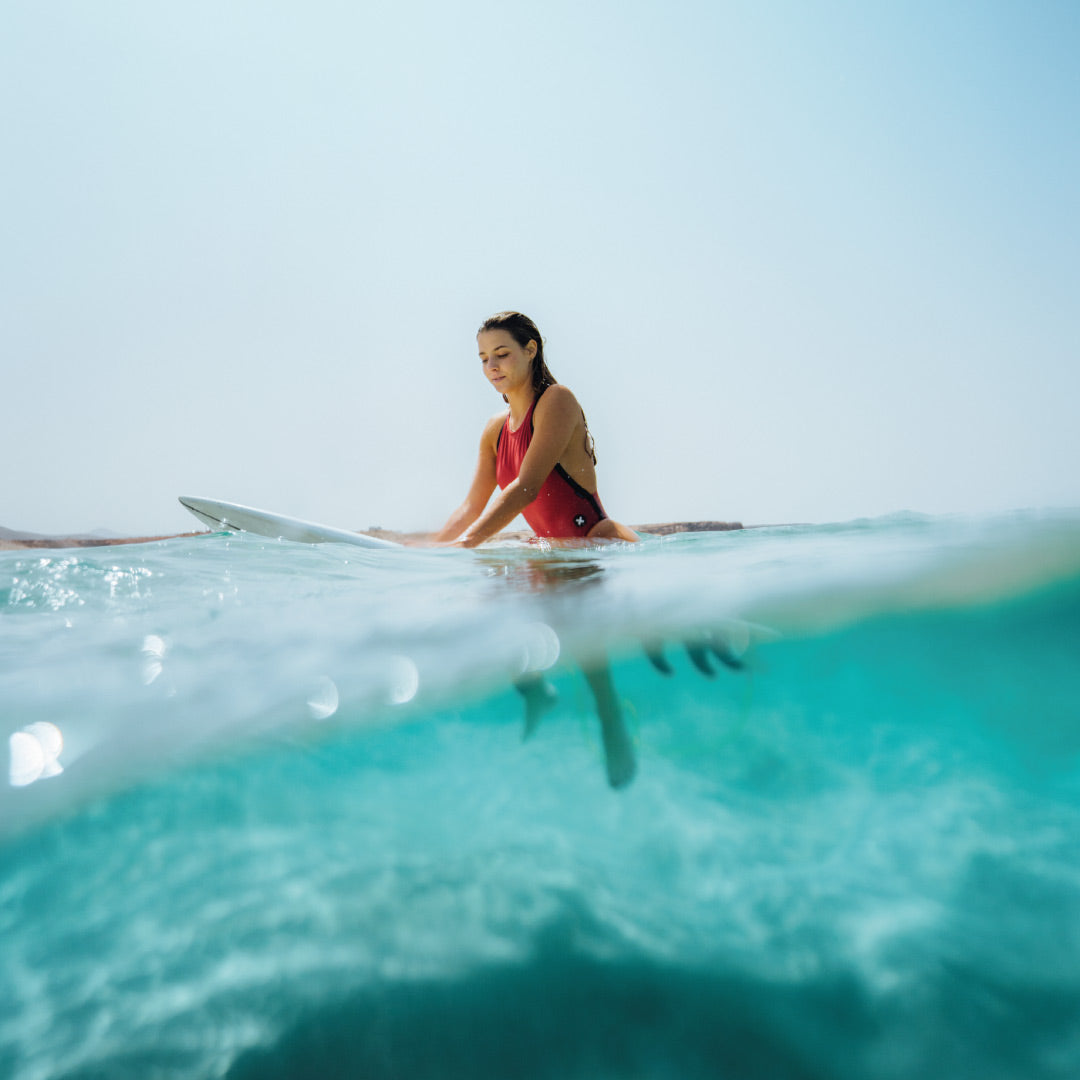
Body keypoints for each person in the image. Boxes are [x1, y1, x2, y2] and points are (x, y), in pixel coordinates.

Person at [432, 311, 638, 548]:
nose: (491, 366)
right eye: (483, 358)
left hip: (599, 546)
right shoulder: (495, 430)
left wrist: (466, 542)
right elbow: (471, 508)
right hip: (554, 556)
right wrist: (431, 553)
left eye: (502, 354)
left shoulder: (557, 400)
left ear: (530, 350)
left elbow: (526, 487)